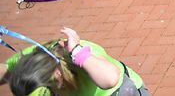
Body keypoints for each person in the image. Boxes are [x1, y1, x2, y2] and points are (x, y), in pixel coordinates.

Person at [1, 26, 148, 96]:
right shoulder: (31, 60)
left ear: (57, 74)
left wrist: (78, 52)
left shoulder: (83, 53)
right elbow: (5, 71)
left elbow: (110, 80)